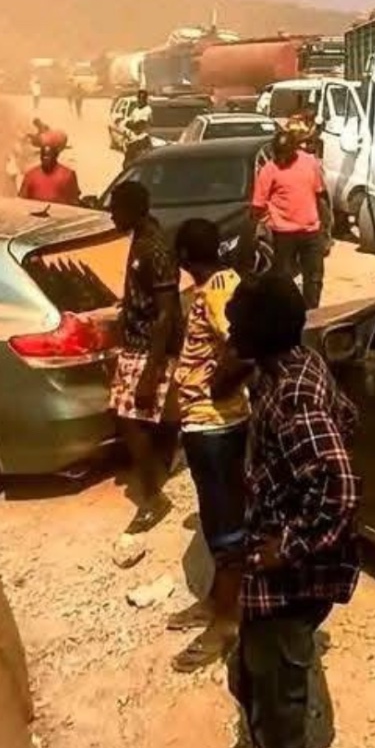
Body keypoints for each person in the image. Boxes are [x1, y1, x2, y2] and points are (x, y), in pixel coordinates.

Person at [225, 273, 360, 748]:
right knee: (247, 681)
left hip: (289, 584)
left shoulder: (296, 396)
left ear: (260, 333)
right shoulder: (291, 365)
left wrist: (290, 544)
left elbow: (340, 484)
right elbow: (349, 418)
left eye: (236, 325)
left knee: (279, 722)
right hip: (270, 579)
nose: (228, 331)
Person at [166, 217, 250, 673]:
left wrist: (217, 388)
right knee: (221, 522)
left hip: (214, 425)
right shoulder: (224, 281)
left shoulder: (217, 290)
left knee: (226, 529)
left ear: (183, 256)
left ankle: (226, 622)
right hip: (210, 423)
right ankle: (217, 601)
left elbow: (241, 345)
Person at [108, 179, 183, 534]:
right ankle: (162, 467)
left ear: (133, 210)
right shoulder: (140, 239)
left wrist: (151, 371)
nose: (111, 216)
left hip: (148, 349)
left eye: (115, 210)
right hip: (136, 344)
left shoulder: (155, 248)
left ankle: (153, 500)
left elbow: (166, 313)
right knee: (144, 418)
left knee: (131, 420)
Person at [252, 127, 331, 309]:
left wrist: (325, 229)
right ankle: (287, 313)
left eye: (285, 155)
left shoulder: (310, 163)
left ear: (294, 151)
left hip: (311, 231)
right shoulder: (269, 170)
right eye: (278, 155)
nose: (281, 160)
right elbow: (258, 204)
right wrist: (263, 225)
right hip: (283, 234)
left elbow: (320, 195)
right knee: (283, 279)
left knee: (314, 277)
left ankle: (311, 312)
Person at [19, 128, 81, 204]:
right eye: (43, 155)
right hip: (34, 211)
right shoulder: (30, 175)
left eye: (48, 155)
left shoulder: (68, 175)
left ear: (56, 155)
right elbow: (21, 202)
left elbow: (73, 202)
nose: (45, 158)